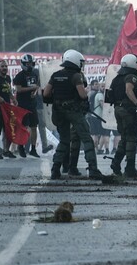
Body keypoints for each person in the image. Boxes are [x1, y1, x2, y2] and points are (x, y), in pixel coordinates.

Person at [43, 50, 103, 180]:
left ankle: (55, 169)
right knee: (87, 138)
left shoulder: (55, 75)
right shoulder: (76, 76)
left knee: (64, 141)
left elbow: (46, 94)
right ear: (76, 61)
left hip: (58, 112)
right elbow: (82, 95)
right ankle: (93, 169)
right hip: (73, 111)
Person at [109, 54, 137, 178]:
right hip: (128, 110)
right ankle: (130, 168)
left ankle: (116, 162)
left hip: (118, 109)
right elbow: (128, 91)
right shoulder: (131, 77)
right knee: (131, 138)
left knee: (124, 138)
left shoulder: (117, 78)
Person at [12, 54, 41, 158]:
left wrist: (35, 91)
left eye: (31, 63)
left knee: (34, 126)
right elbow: (19, 89)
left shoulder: (35, 74)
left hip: (32, 104)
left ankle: (33, 148)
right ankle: (21, 146)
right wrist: (31, 89)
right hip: (22, 104)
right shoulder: (19, 76)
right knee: (23, 127)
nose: (29, 65)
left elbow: (36, 86)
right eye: (27, 64)